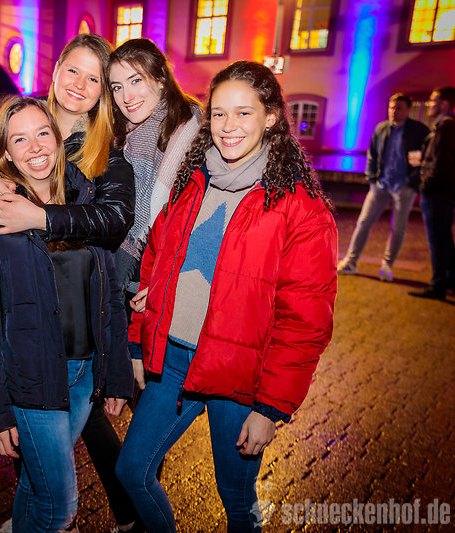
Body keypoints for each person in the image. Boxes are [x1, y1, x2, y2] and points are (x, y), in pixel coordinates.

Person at [117, 61, 337, 533]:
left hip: (241, 377)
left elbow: (305, 322)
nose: (228, 126)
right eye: (218, 114)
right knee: (131, 471)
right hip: (173, 361)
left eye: (243, 113)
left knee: (236, 500)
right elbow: (154, 259)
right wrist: (138, 341)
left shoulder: (300, 208)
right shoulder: (192, 182)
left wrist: (271, 408)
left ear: (271, 117)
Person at [0, 34, 141, 532]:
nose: (80, 84)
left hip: (86, 349)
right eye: (73, 70)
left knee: (41, 481)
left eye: (94, 78)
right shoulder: (24, 128)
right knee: (57, 500)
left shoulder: (104, 158)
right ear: (55, 70)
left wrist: (41, 217)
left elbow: (114, 222)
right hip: (33, 359)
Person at [108, 37, 203, 304]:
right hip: (122, 263)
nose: (126, 97)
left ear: (161, 78)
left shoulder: (189, 131)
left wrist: (163, 279)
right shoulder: (120, 134)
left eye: (136, 80)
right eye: (117, 87)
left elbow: (191, 220)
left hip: (158, 267)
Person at [337, 93, 429, 281]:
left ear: (408, 110)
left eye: (398, 108)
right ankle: (351, 261)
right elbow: (372, 154)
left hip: (404, 187)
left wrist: (412, 182)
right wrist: (372, 178)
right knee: (364, 222)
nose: (393, 111)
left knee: (398, 228)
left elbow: (422, 159)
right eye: (391, 107)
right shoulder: (382, 129)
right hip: (381, 184)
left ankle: (387, 265)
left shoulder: (418, 131)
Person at [408, 86, 455, 301]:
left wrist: (426, 186)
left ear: (444, 103)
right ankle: (449, 281)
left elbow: (441, 163)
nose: (429, 103)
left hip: (437, 193)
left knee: (437, 240)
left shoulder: (446, 126)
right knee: (443, 238)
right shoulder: (445, 126)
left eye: (433, 100)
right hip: (440, 192)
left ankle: (438, 285)